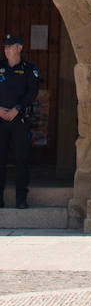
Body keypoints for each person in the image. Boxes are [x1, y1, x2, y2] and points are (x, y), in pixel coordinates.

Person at [0, 33, 39, 209]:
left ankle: (21, 199)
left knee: (21, 160)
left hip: (20, 120)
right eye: (5, 46)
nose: (7, 49)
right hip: (0, 120)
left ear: (20, 48)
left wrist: (17, 109)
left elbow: (31, 93)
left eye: (11, 46)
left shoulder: (29, 69)